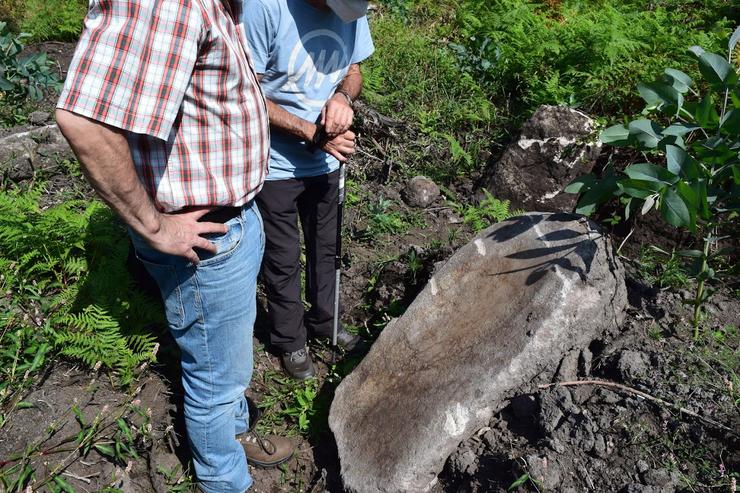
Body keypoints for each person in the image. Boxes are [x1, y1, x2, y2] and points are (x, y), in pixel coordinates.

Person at [55, 1, 292, 491]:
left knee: (227, 362)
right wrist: (156, 227)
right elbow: (85, 120)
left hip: (233, 221)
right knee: (213, 378)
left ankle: (233, 431)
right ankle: (224, 479)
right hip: (204, 243)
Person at [243, 0, 374, 380]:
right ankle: (289, 339)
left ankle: (325, 323)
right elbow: (245, 91)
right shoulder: (264, 9)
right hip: (275, 164)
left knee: (326, 247)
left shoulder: (351, 9)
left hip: (327, 163)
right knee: (283, 258)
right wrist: (311, 134)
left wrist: (343, 98)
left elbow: (353, 69)